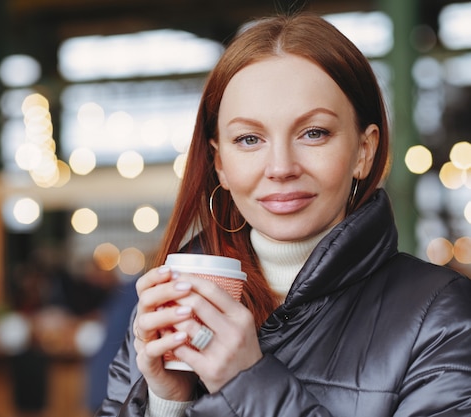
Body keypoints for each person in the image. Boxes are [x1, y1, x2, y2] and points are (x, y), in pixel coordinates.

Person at [95, 12, 471, 417]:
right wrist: (167, 401)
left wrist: (245, 382)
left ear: (364, 150)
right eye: (249, 139)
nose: (280, 166)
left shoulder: (440, 317)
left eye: (314, 133)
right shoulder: (173, 307)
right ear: (219, 162)